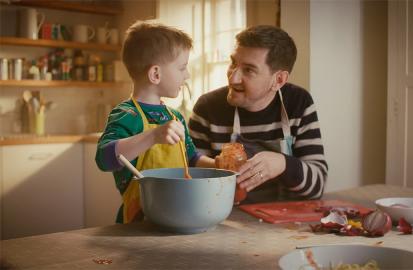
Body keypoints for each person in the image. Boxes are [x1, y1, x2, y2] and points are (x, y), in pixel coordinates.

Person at [188, 25, 328, 203]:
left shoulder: (298, 103)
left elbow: (318, 186)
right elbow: (189, 179)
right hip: (226, 219)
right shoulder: (208, 107)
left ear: (278, 80)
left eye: (248, 70)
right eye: (233, 63)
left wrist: (283, 164)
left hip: (286, 222)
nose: (233, 78)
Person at [96, 20, 214, 224]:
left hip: (180, 214)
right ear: (155, 74)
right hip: (139, 223)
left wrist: (220, 166)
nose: (187, 74)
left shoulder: (175, 116)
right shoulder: (126, 114)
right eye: (182, 67)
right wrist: (153, 135)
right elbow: (104, 159)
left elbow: (192, 158)